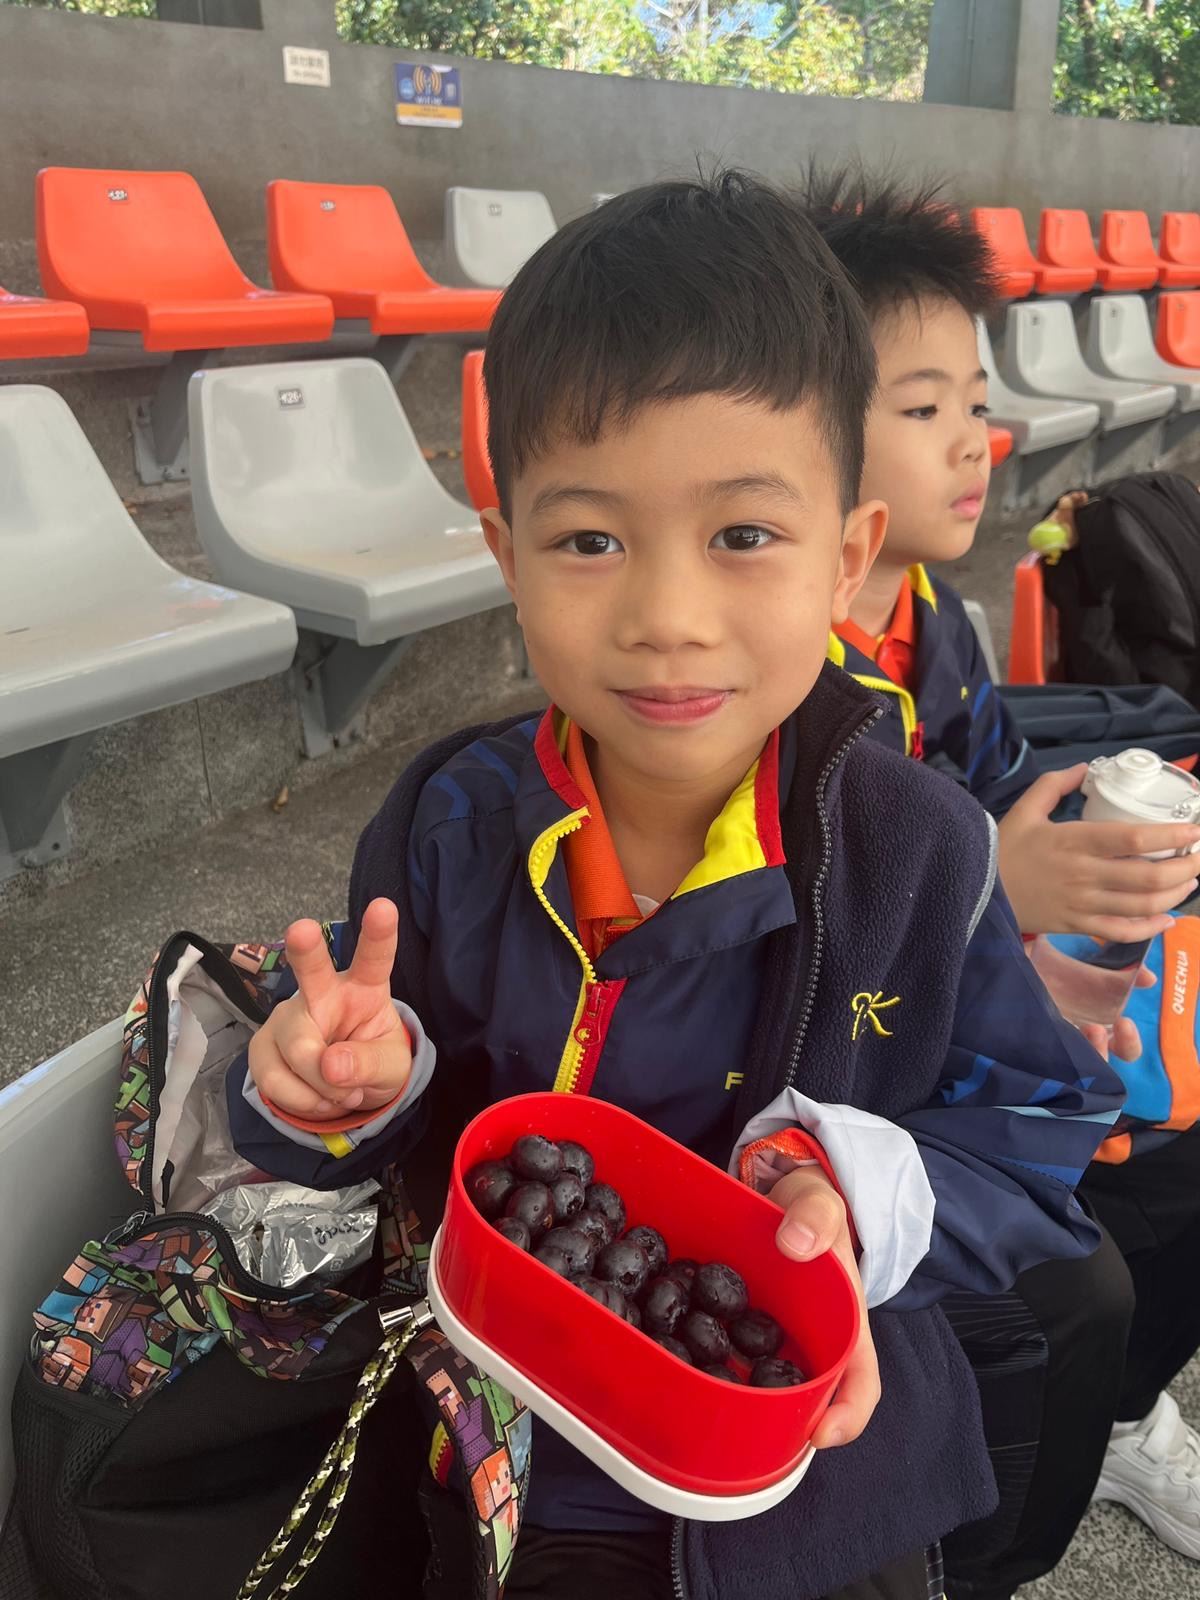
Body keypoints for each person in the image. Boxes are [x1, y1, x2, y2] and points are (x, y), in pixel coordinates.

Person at [224, 172, 1124, 1600]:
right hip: (507, 1443)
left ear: (847, 556)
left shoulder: (918, 851)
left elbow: (1036, 1127)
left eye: (743, 536)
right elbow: (390, 1104)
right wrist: (336, 1089)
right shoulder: (452, 823)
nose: (666, 617)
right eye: (589, 540)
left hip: (809, 1482)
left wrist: (859, 1190)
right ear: (506, 555)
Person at [804, 164, 1200, 1598]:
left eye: (977, 403)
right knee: (1084, 1281)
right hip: (848, 1088)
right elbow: (811, 947)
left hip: (965, 1010)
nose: (978, 442)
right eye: (925, 411)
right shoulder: (778, 677)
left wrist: (1069, 920)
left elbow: (988, 801)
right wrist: (998, 900)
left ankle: (1121, 1413)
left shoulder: (938, 624)